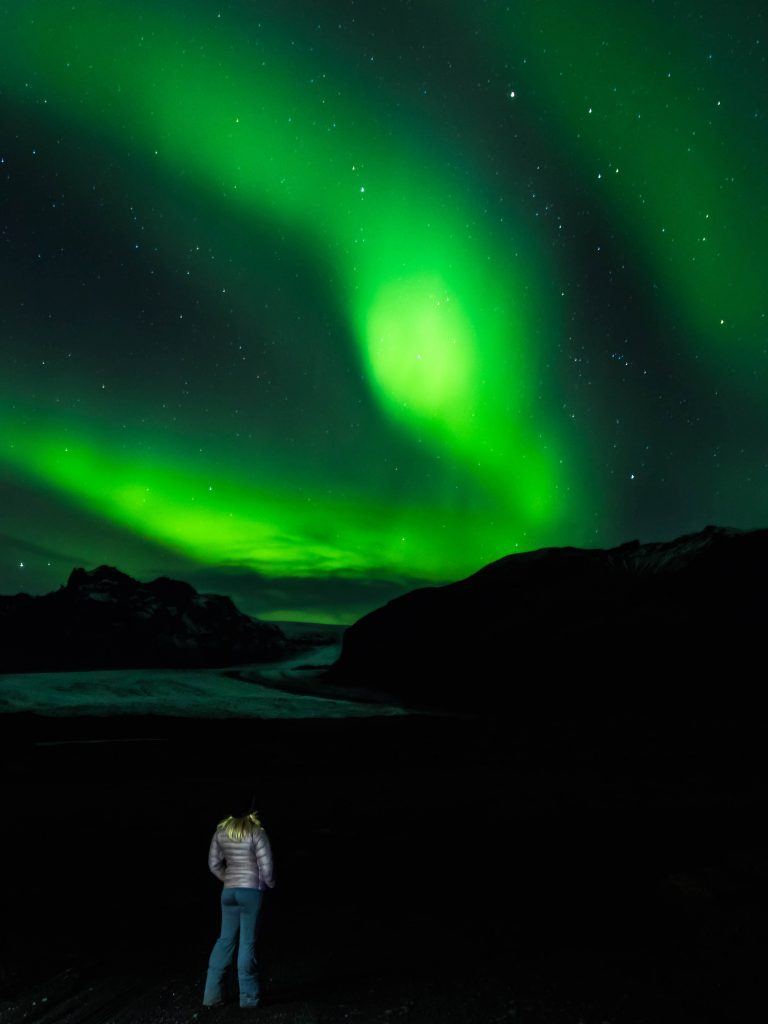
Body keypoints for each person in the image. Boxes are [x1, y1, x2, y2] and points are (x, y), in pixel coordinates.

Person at [202, 804, 276, 1010]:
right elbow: (267, 868)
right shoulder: (257, 832)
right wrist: (269, 885)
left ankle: (212, 996)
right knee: (247, 943)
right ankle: (249, 999)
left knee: (224, 940)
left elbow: (213, 864)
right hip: (251, 892)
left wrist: (229, 880)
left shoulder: (221, 832)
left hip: (229, 893)